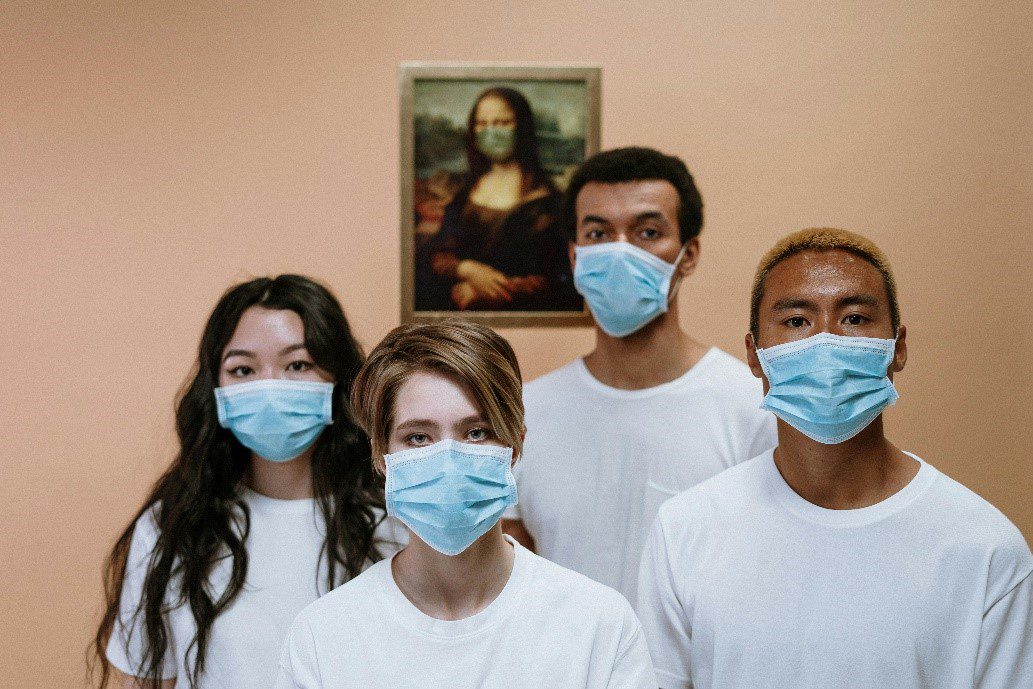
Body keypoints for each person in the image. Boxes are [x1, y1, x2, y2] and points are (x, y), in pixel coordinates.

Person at [637, 228, 1033, 688]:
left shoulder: (986, 551)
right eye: (797, 322)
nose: (825, 343)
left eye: (855, 319)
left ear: (897, 348)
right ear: (754, 355)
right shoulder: (686, 530)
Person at [275, 321, 656, 689]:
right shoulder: (324, 638)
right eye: (419, 438)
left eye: (476, 433)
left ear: (514, 447)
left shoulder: (598, 627)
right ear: (381, 458)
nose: (449, 458)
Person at [92, 275, 403, 689]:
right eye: (243, 369)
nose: (270, 388)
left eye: (298, 365)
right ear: (215, 389)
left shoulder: (397, 519)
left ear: (338, 380)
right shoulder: (171, 529)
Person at [502, 146, 776, 604]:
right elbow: (514, 581)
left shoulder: (753, 407)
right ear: (574, 256)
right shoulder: (526, 413)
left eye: (648, 231)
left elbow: (771, 574)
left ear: (688, 256)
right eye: (598, 233)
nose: (620, 251)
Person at [416, 87, 579, 311]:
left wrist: (486, 290)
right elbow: (437, 254)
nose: (491, 132)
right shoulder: (463, 191)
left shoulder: (547, 200)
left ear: (522, 127)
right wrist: (467, 269)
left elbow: (558, 278)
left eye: (502, 123)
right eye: (482, 124)